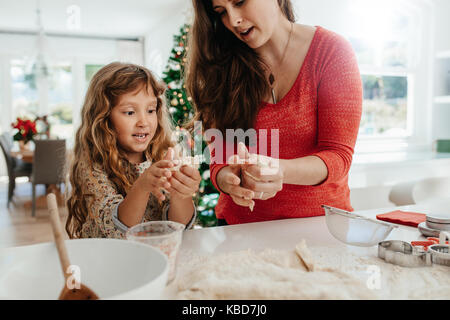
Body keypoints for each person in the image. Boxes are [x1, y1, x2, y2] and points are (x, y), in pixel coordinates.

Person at [185, 0, 363, 225]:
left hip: (321, 225)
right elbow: (220, 153)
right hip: (240, 228)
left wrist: (280, 169)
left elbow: (338, 156)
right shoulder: (221, 63)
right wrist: (225, 179)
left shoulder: (331, 51)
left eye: (239, 2)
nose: (233, 21)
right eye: (220, 12)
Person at [66, 62, 200, 238]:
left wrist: (181, 193)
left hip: (155, 257)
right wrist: (143, 186)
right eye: (130, 112)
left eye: (151, 110)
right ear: (104, 118)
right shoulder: (92, 165)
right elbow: (117, 229)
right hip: (108, 258)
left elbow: (178, 226)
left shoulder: (162, 155)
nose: (144, 122)